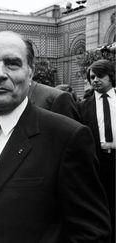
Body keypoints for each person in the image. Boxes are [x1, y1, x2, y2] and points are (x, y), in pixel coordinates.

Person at [0, 31, 111, 243]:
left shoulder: (65, 137)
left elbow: (92, 233)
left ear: (30, 73)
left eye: (12, 63)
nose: (0, 74)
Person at [78, 59, 115, 242]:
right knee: (101, 202)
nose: (95, 80)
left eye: (100, 76)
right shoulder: (84, 105)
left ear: (111, 77)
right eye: (92, 77)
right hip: (98, 161)